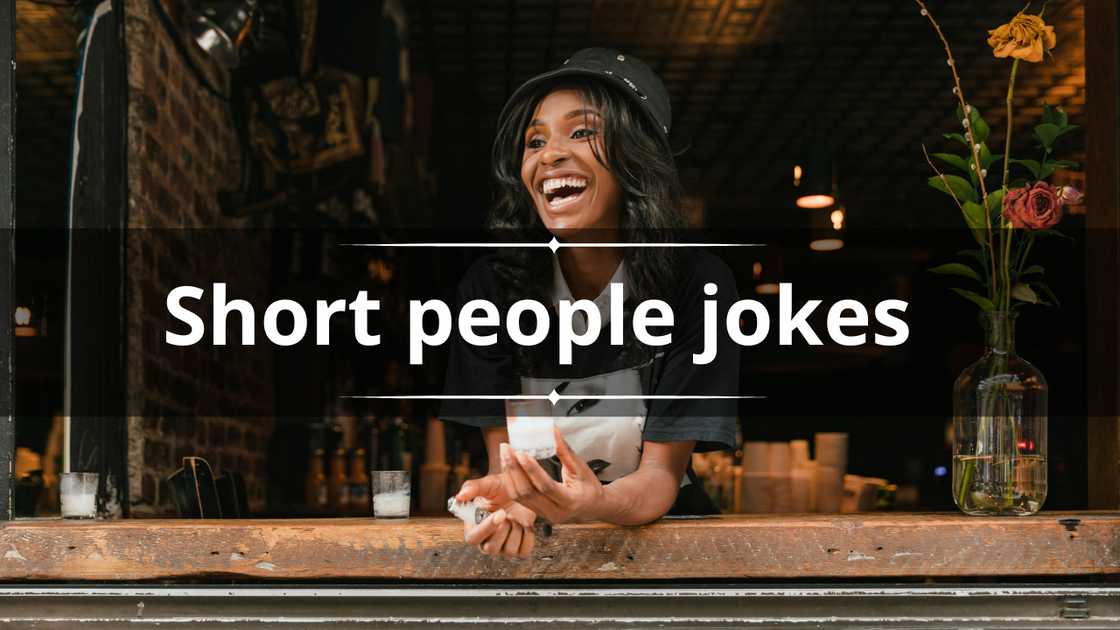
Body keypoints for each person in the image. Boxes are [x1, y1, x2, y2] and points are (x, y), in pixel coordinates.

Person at [440, 48, 740, 559]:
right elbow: (508, 466)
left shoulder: (696, 284)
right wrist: (513, 501)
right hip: (548, 556)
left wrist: (590, 502)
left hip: (670, 556)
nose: (549, 154)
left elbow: (660, 477)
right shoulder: (490, 290)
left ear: (635, 158)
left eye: (581, 132)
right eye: (535, 140)